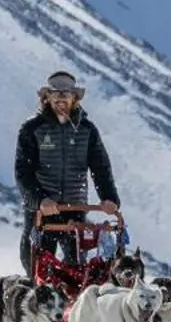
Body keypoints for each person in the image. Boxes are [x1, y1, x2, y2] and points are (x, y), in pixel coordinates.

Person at [13, 70, 120, 276]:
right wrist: (40, 200)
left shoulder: (87, 130)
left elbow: (101, 168)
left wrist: (109, 198)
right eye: (56, 95)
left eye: (66, 95)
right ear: (47, 98)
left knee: (76, 271)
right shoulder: (32, 129)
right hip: (42, 210)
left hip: (74, 206)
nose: (61, 100)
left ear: (74, 98)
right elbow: (23, 173)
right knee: (38, 269)